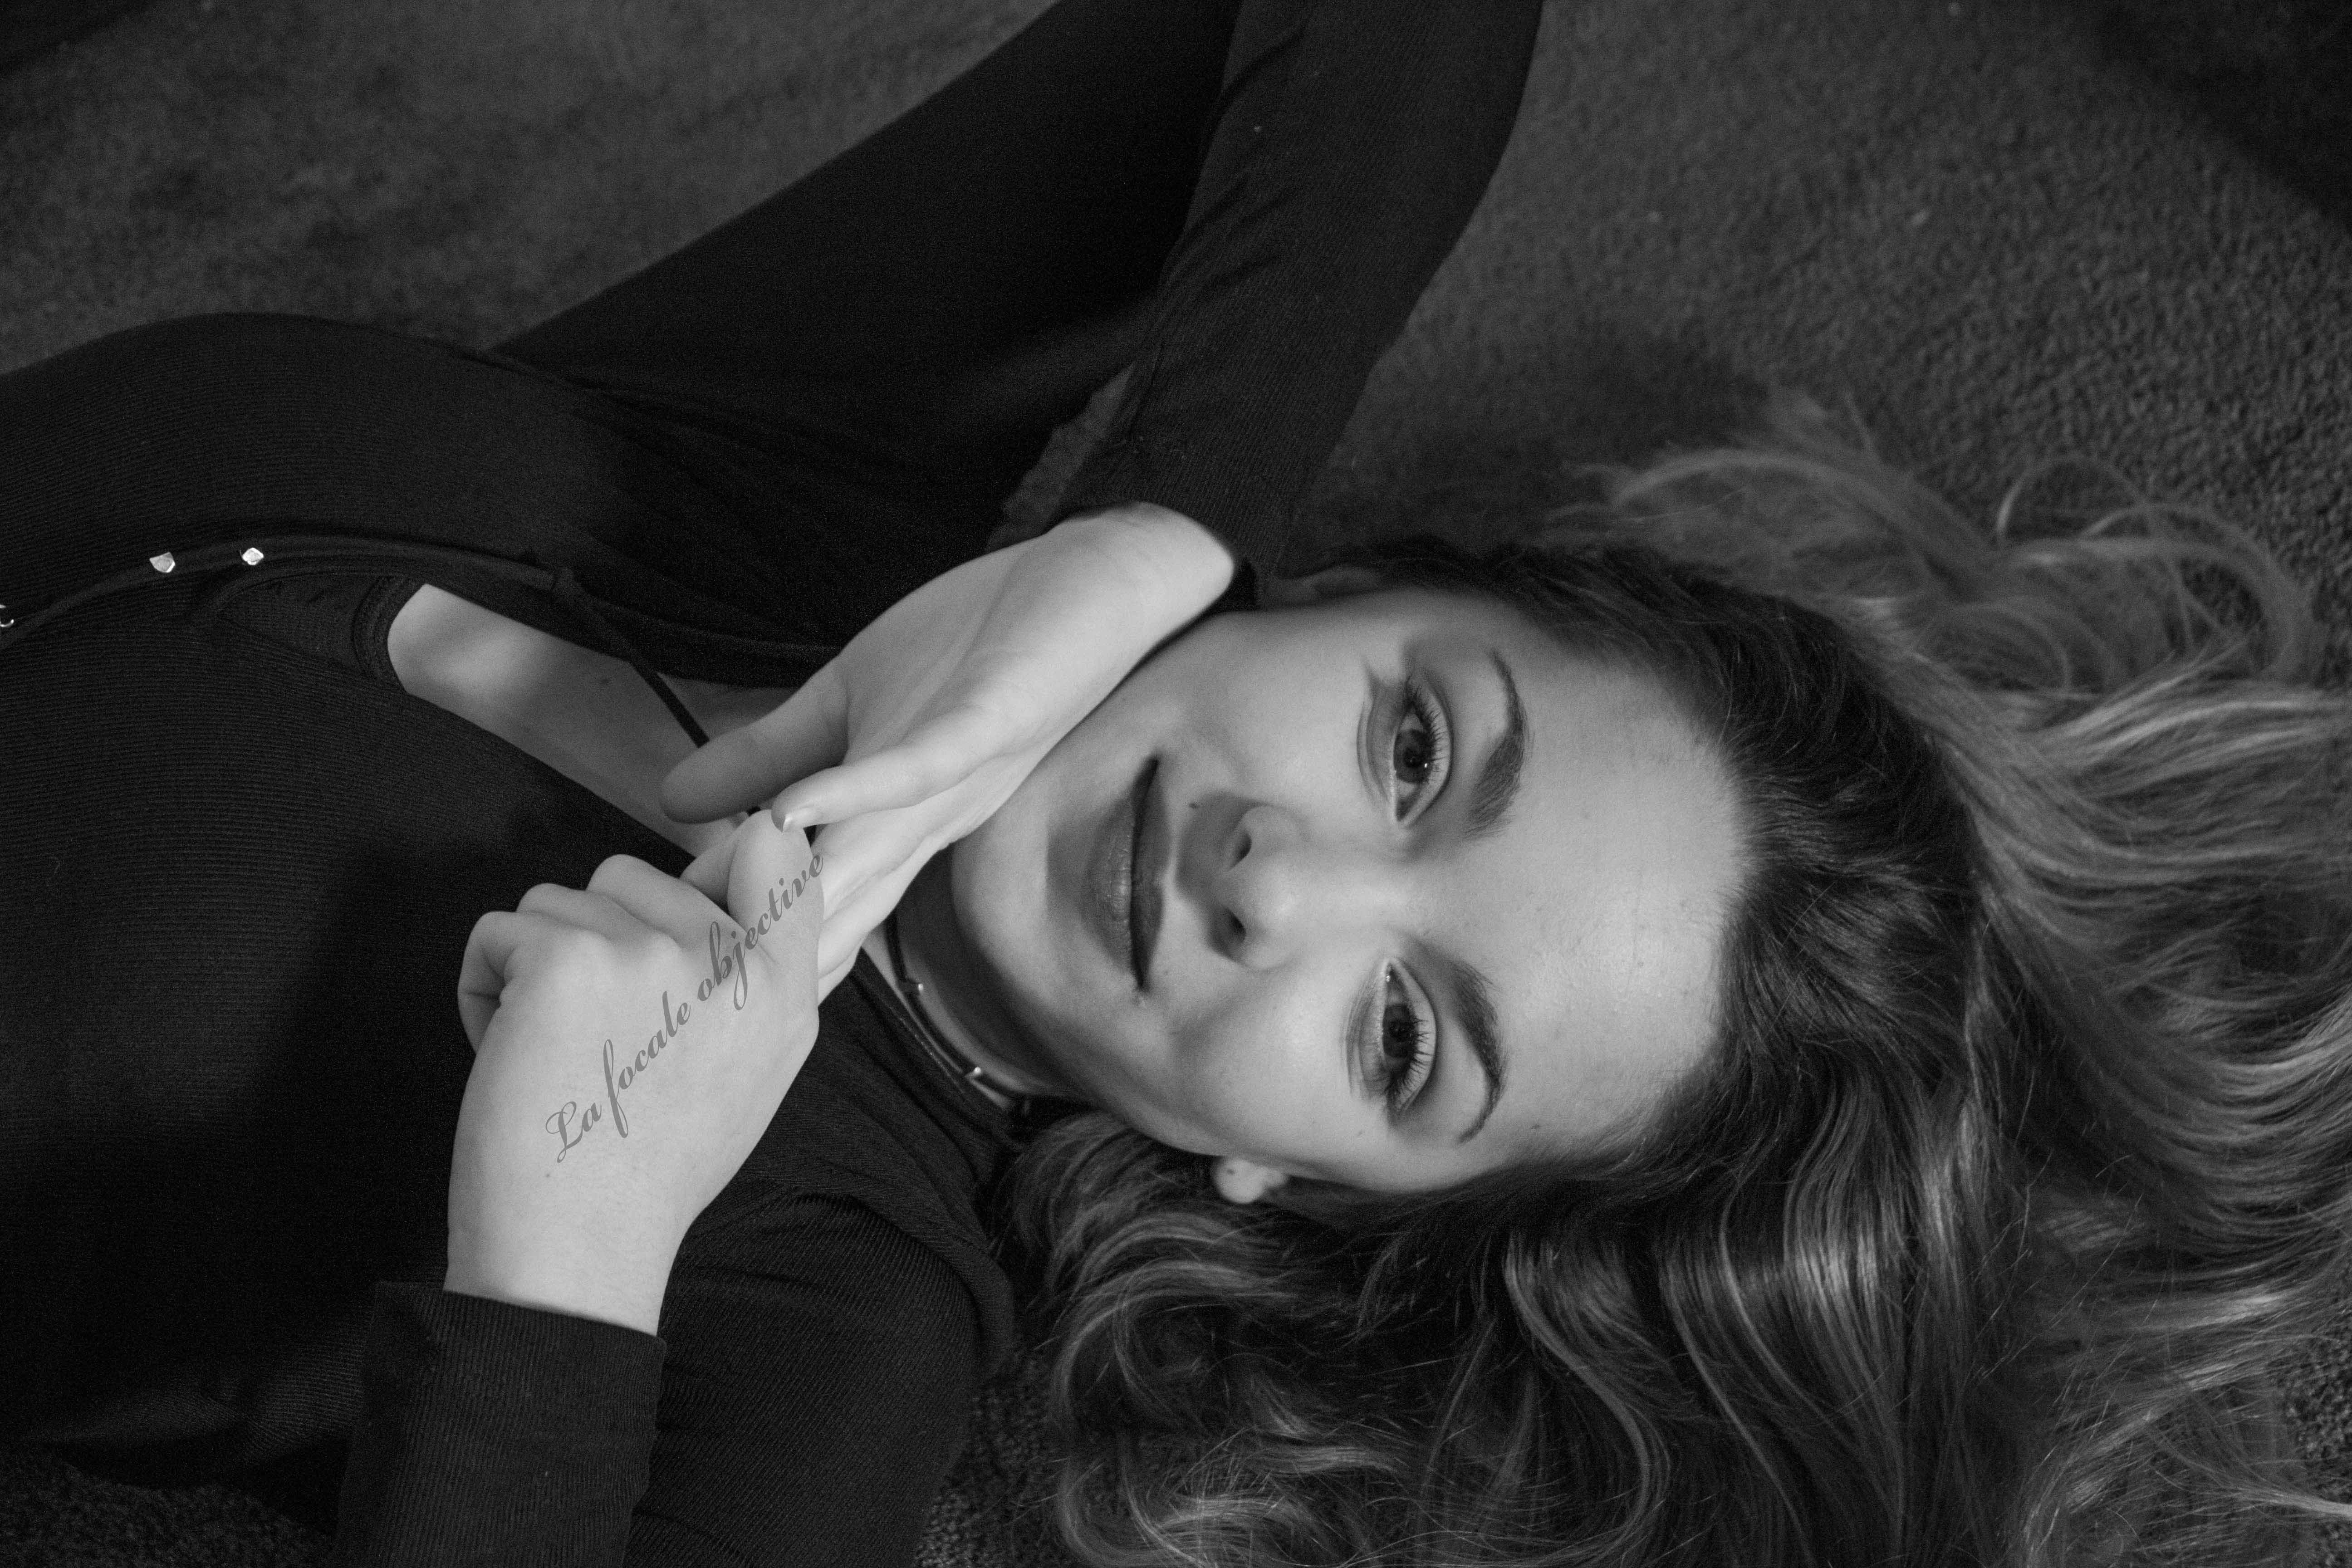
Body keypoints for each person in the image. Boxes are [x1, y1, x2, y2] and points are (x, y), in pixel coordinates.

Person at [5, 11, 2348, 1568]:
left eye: (1405, 1035)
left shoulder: (825, 1318)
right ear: (1337, 593)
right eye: (1414, 746)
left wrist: (553, 1282)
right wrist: (1161, 519)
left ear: (1295, 1180)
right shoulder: (820, 484)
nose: (1275, 878)